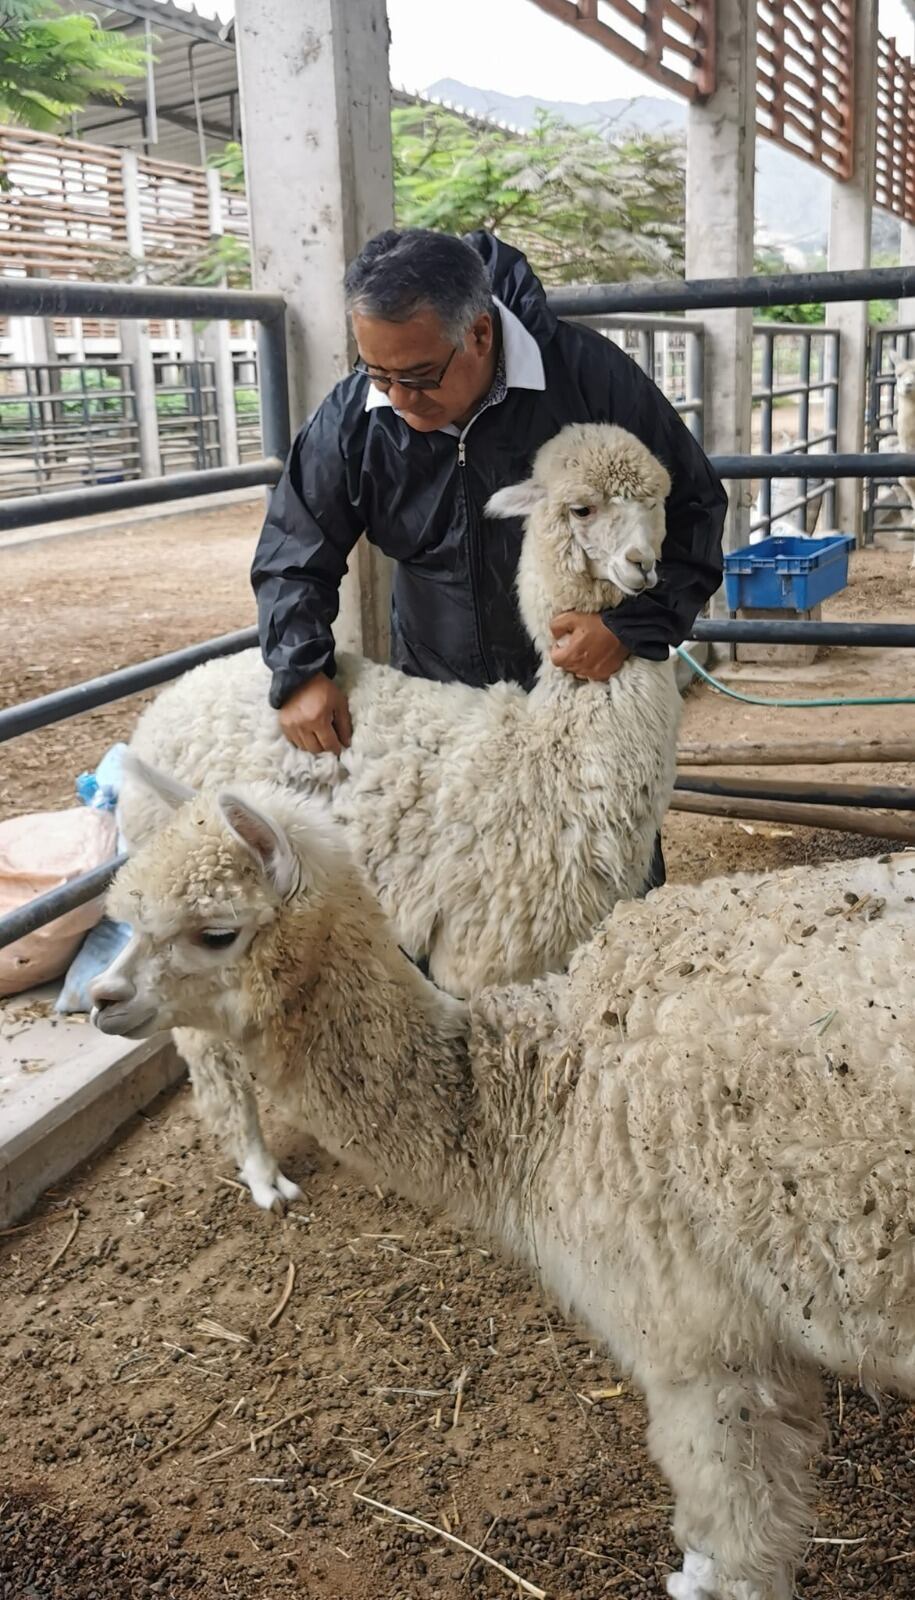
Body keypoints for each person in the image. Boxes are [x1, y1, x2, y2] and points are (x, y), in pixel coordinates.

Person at [251, 227, 727, 891]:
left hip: (580, 687)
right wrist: (299, 669)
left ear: (478, 334)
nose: (397, 397)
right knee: (456, 880)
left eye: (417, 376)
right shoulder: (360, 416)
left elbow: (695, 506)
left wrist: (631, 627)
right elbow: (293, 548)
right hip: (439, 691)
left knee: (601, 877)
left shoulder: (587, 379)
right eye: (376, 372)